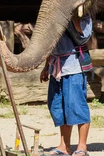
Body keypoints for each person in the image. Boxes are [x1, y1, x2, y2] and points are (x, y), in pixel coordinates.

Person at [40, 12, 93, 156]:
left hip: (74, 66)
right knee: (58, 106)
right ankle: (64, 146)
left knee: (76, 106)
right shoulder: (55, 15)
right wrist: (46, 67)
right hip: (56, 67)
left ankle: (82, 147)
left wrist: (73, 17)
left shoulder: (85, 17)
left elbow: (83, 38)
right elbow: (50, 44)